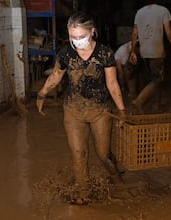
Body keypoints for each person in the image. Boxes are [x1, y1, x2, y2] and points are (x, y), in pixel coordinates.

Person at [36, 11, 127, 204]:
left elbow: (112, 84)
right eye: (72, 37)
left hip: (100, 111)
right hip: (73, 111)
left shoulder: (104, 53)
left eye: (82, 37)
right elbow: (55, 76)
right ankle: (83, 193)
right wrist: (42, 93)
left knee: (104, 154)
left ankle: (119, 183)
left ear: (92, 32)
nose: (77, 41)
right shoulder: (65, 54)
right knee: (79, 155)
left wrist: (122, 111)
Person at [129, 0, 171, 114]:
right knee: (157, 80)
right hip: (157, 50)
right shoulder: (163, 11)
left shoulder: (139, 12)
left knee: (153, 80)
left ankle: (156, 106)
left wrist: (133, 51)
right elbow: (168, 33)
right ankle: (138, 101)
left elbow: (134, 33)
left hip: (144, 51)